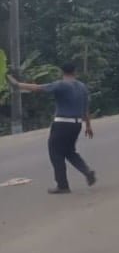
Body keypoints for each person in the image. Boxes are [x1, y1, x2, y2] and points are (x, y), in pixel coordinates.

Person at [6, 62, 96, 194]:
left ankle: (62, 185)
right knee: (70, 151)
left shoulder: (61, 85)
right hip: (76, 124)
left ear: (62, 72)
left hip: (62, 123)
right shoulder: (82, 87)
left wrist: (17, 84)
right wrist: (88, 125)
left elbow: (37, 88)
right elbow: (86, 108)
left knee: (56, 153)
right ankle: (87, 172)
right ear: (75, 71)